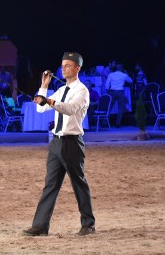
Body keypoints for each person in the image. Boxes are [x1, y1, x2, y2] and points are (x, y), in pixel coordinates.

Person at [22, 52, 96, 237]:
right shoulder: (61, 90)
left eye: (67, 65)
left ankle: (88, 224)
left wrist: (49, 100)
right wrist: (44, 87)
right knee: (50, 185)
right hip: (56, 143)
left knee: (79, 184)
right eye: (62, 65)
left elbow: (70, 109)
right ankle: (40, 226)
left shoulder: (82, 91)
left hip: (72, 143)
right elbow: (40, 108)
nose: (63, 68)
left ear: (77, 68)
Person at [105, 63, 132, 127]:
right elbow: (131, 81)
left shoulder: (111, 74)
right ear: (121, 69)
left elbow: (107, 85)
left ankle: (105, 123)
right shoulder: (124, 75)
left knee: (109, 107)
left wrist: (108, 91)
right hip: (120, 91)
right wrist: (126, 73)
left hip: (112, 91)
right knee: (120, 108)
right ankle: (118, 123)